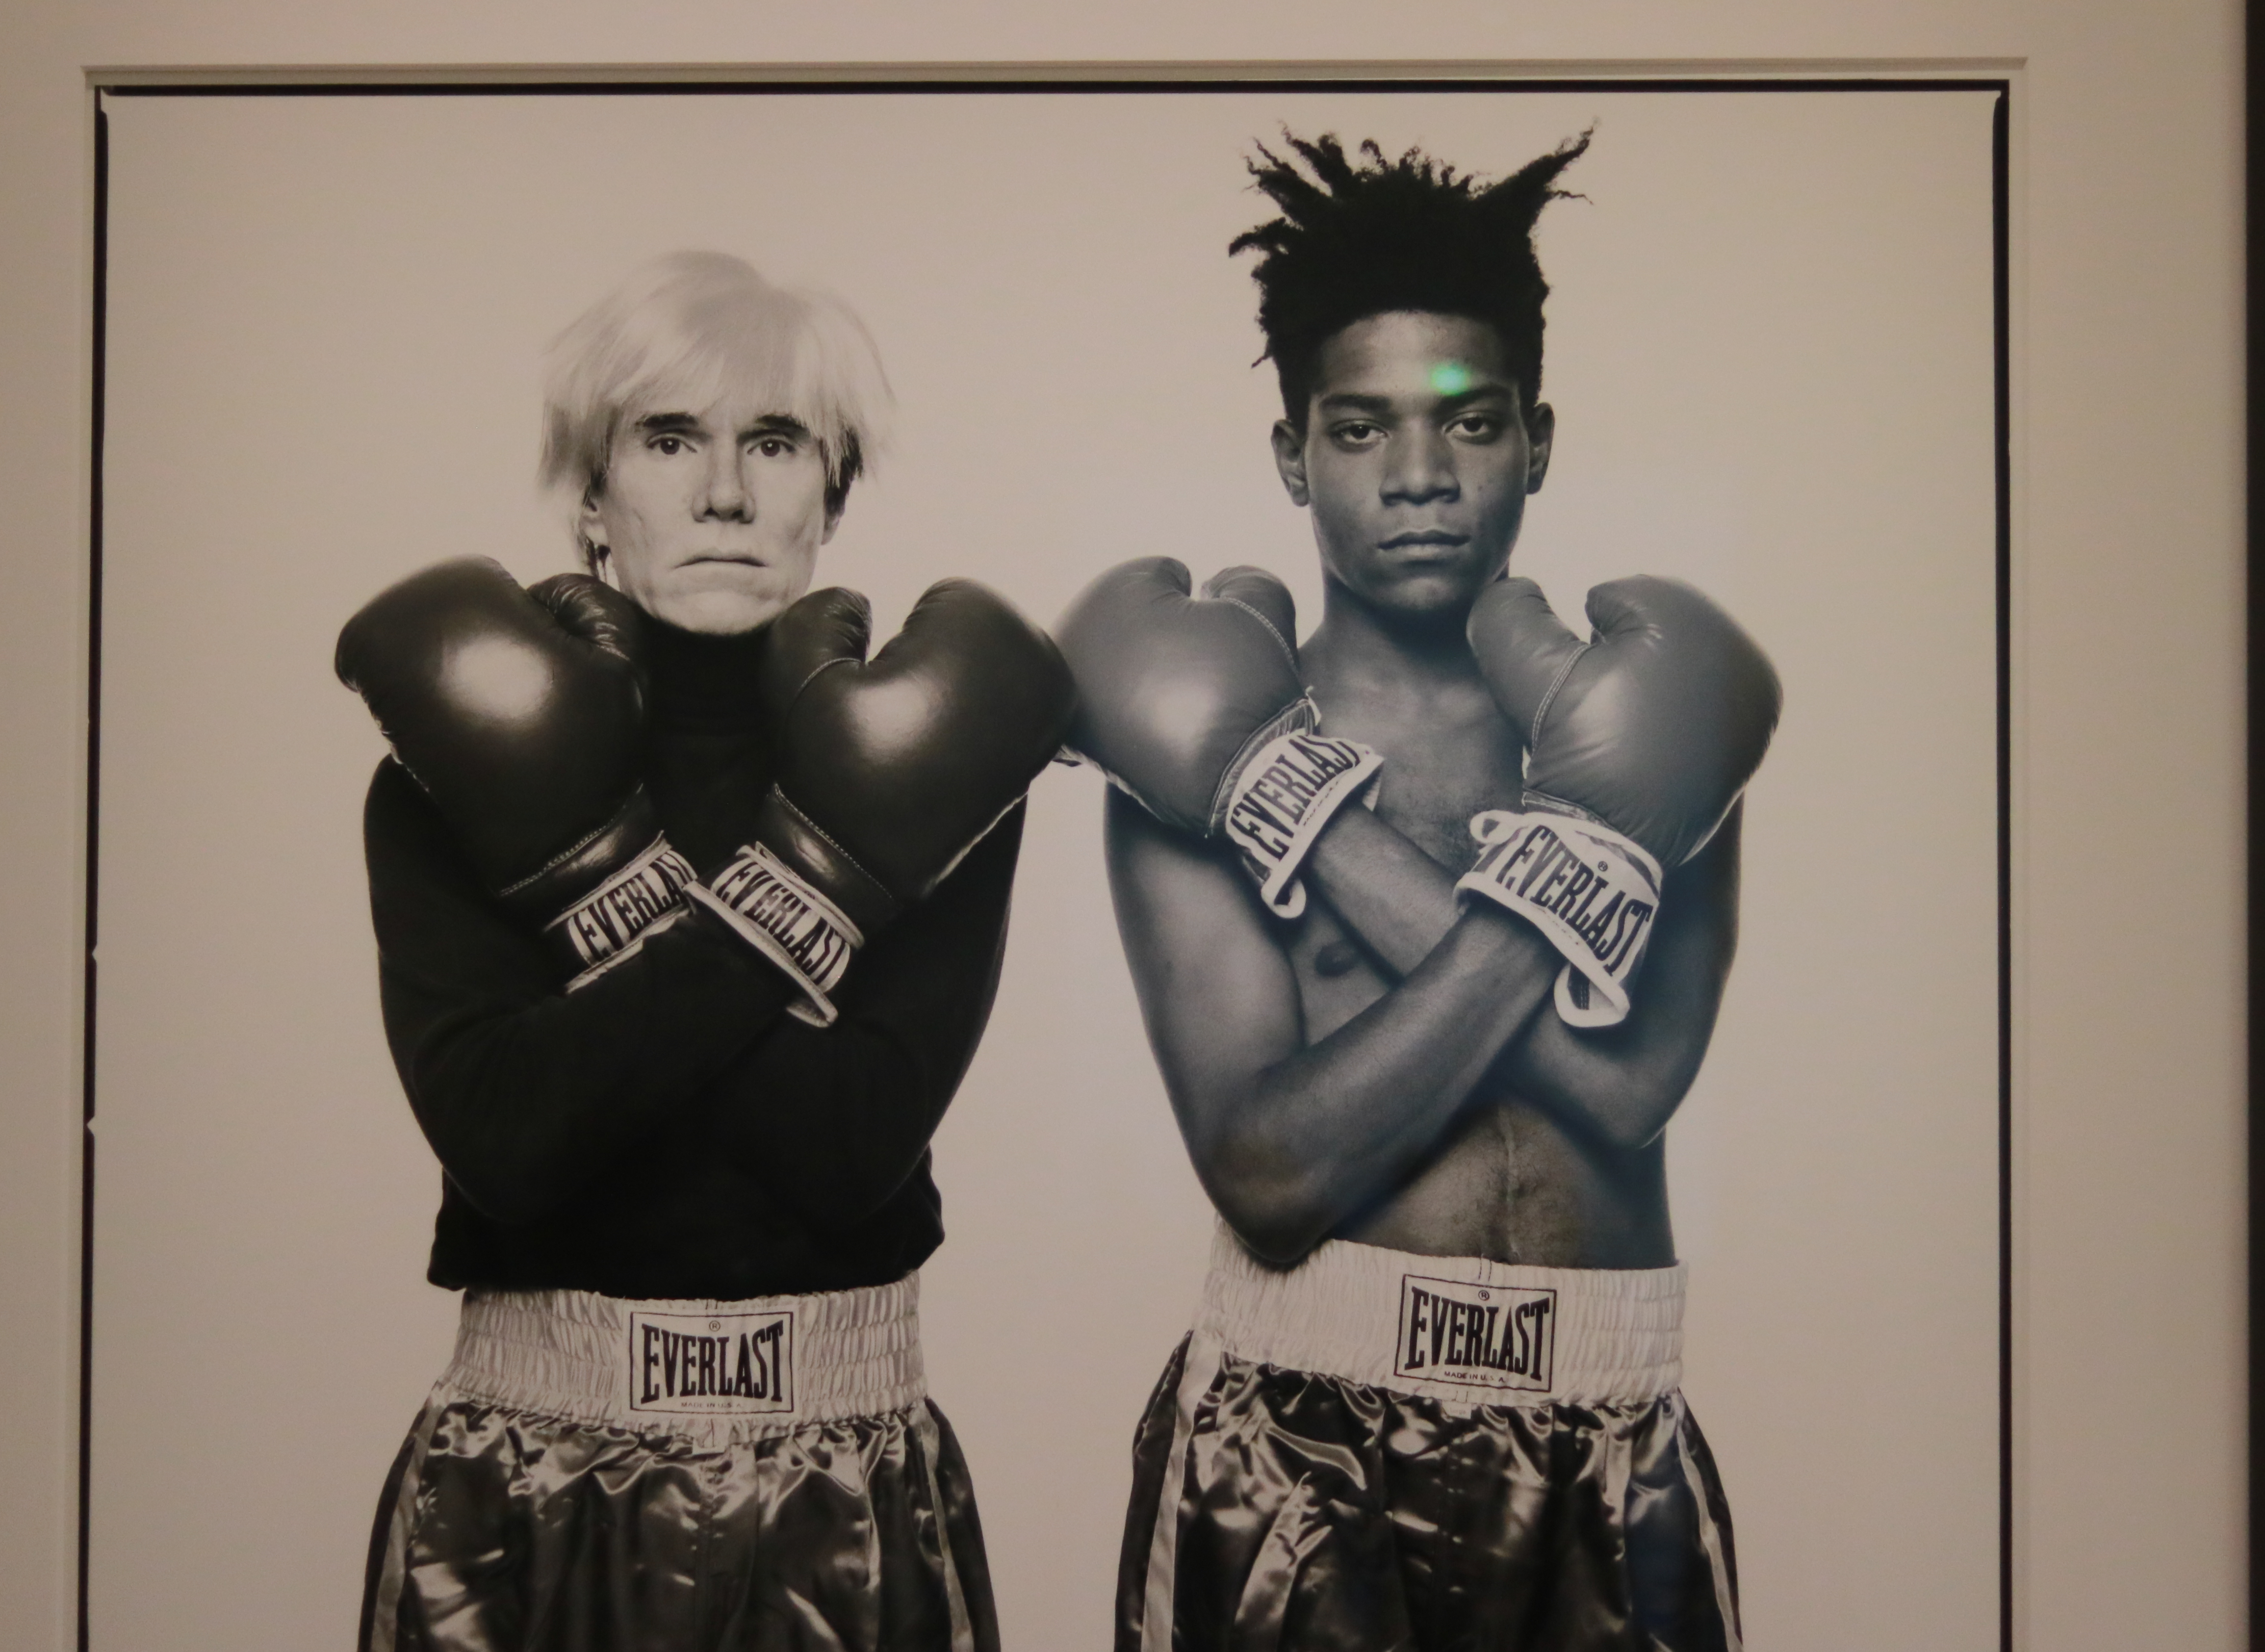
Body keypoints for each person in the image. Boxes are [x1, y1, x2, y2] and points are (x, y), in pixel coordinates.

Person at [1062, 134, 1781, 1652]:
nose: (1418, 478)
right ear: (1292, 457)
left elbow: (1633, 1086)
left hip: (1608, 1435)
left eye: (1470, 421)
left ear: (1537, 440)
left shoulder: (1654, 721)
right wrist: (1275, 777)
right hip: (1295, 1449)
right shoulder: (1192, 736)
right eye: (1360, 428)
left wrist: (1301, 819)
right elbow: (1268, 1176)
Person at [335, 251, 1072, 1652]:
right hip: (528, 1480)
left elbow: (848, 1152)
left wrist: (619, 907)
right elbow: (508, 1144)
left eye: (774, 443)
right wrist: (811, 892)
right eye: (670, 440)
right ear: (592, 497)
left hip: (839, 1487)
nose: (725, 492)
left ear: (830, 497)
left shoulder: (943, 756)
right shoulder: (449, 763)